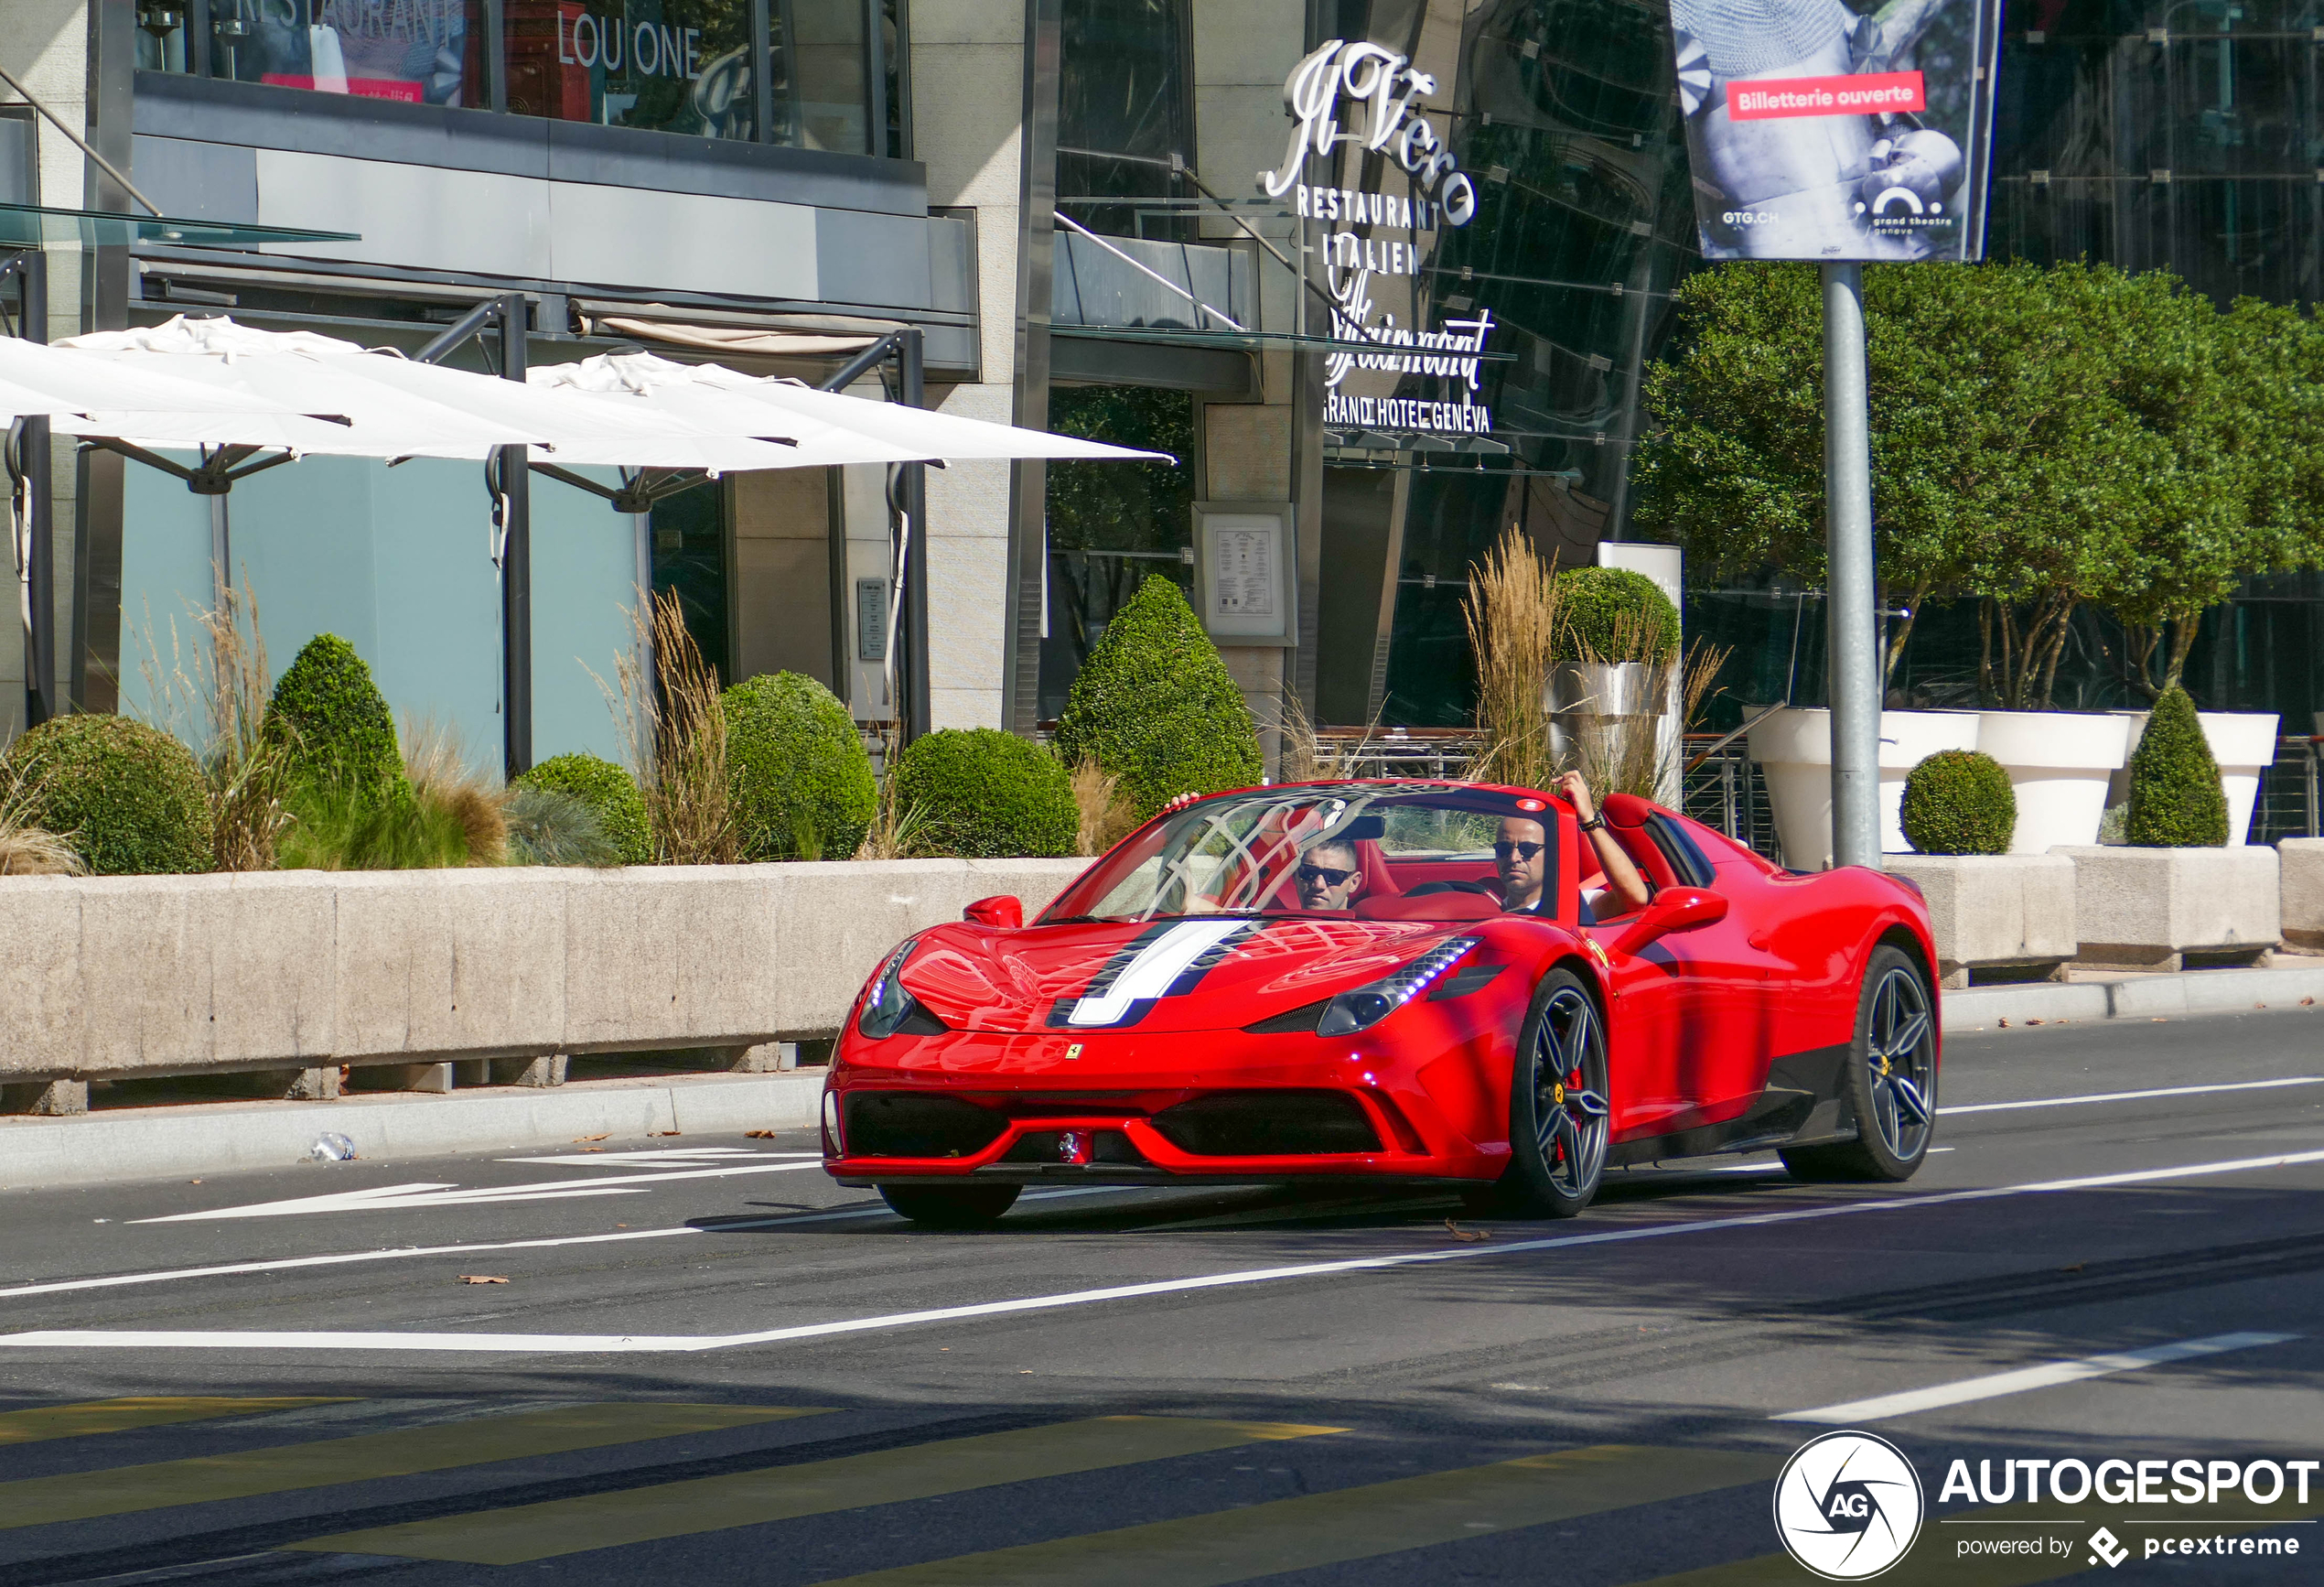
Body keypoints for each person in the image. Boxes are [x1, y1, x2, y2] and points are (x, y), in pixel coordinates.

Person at [1491, 772, 1652, 917]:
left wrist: (1589, 819)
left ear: (1552, 856)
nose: (1514, 858)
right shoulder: (1485, 908)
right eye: (1504, 849)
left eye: (1527, 849)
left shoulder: (1577, 906)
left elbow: (1635, 898)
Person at [1294, 837, 1364, 911]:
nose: (1318, 885)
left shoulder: (1368, 921)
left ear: (1353, 883)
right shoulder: (1282, 919)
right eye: (1308, 872)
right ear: (1294, 875)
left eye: (1333, 876)